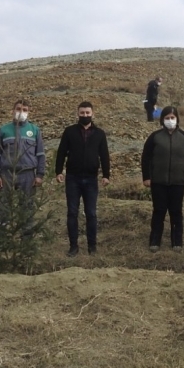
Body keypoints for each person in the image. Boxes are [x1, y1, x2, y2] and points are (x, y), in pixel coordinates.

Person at [55, 101, 111, 257]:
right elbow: (61, 152)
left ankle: (92, 246)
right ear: (78, 114)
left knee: (91, 213)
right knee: (72, 213)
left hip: (91, 179)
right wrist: (58, 171)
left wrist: (106, 175)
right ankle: (73, 247)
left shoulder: (99, 134)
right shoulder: (69, 131)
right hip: (73, 178)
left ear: (92, 114)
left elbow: (104, 155)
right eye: (82, 113)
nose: (85, 115)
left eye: (87, 113)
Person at [141, 106, 184, 252]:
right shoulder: (155, 137)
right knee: (158, 211)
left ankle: (177, 242)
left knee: (176, 211)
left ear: (177, 119)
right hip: (158, 181)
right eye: (167, 118)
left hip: (178, 182)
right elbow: (145, 157)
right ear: (162, 120)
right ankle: (155, 241)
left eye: (172, 117)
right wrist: (146, 177)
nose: (170, 120)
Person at [0, 99, 46, 232]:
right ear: (13, 111)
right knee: (4, 206)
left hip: (28, 174)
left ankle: (26, 238)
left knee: (27, 206)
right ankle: (2, 236)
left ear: (29, 112)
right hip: (7, 175)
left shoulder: (34, 130)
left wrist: (39, 175)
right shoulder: (3, 130)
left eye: (25, 110)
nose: (21, 112)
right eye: (18, 109)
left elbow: (40, 154)